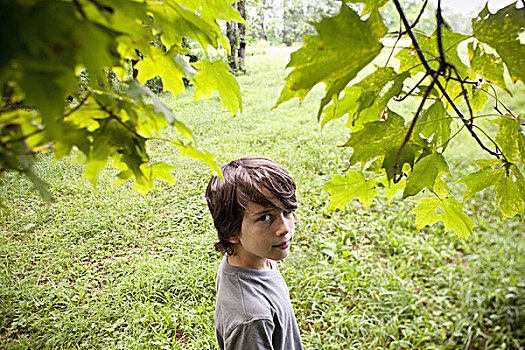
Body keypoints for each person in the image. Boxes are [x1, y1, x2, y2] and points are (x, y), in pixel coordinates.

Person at [205, 157, 304, 350]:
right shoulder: (251, 319)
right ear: (230, 231)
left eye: (287, 211)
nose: (285, 229)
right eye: (265, 217)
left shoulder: (251, 259)